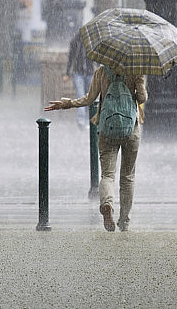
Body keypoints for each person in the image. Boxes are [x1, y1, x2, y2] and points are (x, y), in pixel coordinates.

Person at [45, 65, 147, 232]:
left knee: (107, 175)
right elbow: (142, 98)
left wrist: (67, 104)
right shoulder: (135, 69)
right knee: (127, 176)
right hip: (131, 129)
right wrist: (139, 81)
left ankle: (107, 203)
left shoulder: (102, 71)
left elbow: (89, 99)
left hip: (107, 129)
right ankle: (124, 222)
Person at [63, 32, 96, 130]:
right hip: (78, 73)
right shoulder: (75, 42)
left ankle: (88, 120)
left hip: (89, 73)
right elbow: (71, 58)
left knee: (89, 96)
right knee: (81, 95)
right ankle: (81, 121)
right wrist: (67, 73)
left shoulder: (92, 43)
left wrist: (99, 69)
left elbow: (96, 57)